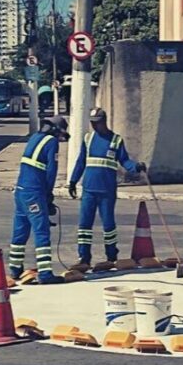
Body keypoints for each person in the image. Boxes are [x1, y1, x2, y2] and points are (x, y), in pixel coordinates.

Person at [68, 108, 146, 266]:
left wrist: (136, 167)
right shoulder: (88, 139)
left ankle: (111, 255)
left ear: (104, 121)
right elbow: (81, 161)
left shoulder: (116, 140)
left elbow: (124, 161)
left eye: (97, 123)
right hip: (89, 189)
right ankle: (84, 257)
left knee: (108, 225)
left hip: (107, 191)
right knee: (84, 225)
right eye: (92, 123)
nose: (95, 126)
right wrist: (73, 181)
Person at [8, 115, 68, 284]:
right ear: (56, 131)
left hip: (20, 190)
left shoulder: (34, 137)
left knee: (21, 229)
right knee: (41, 230)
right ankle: (45, 273)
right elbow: (51, 171)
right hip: (34, 192)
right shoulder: (52, 142)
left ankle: (15, 268)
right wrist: (48, 195)